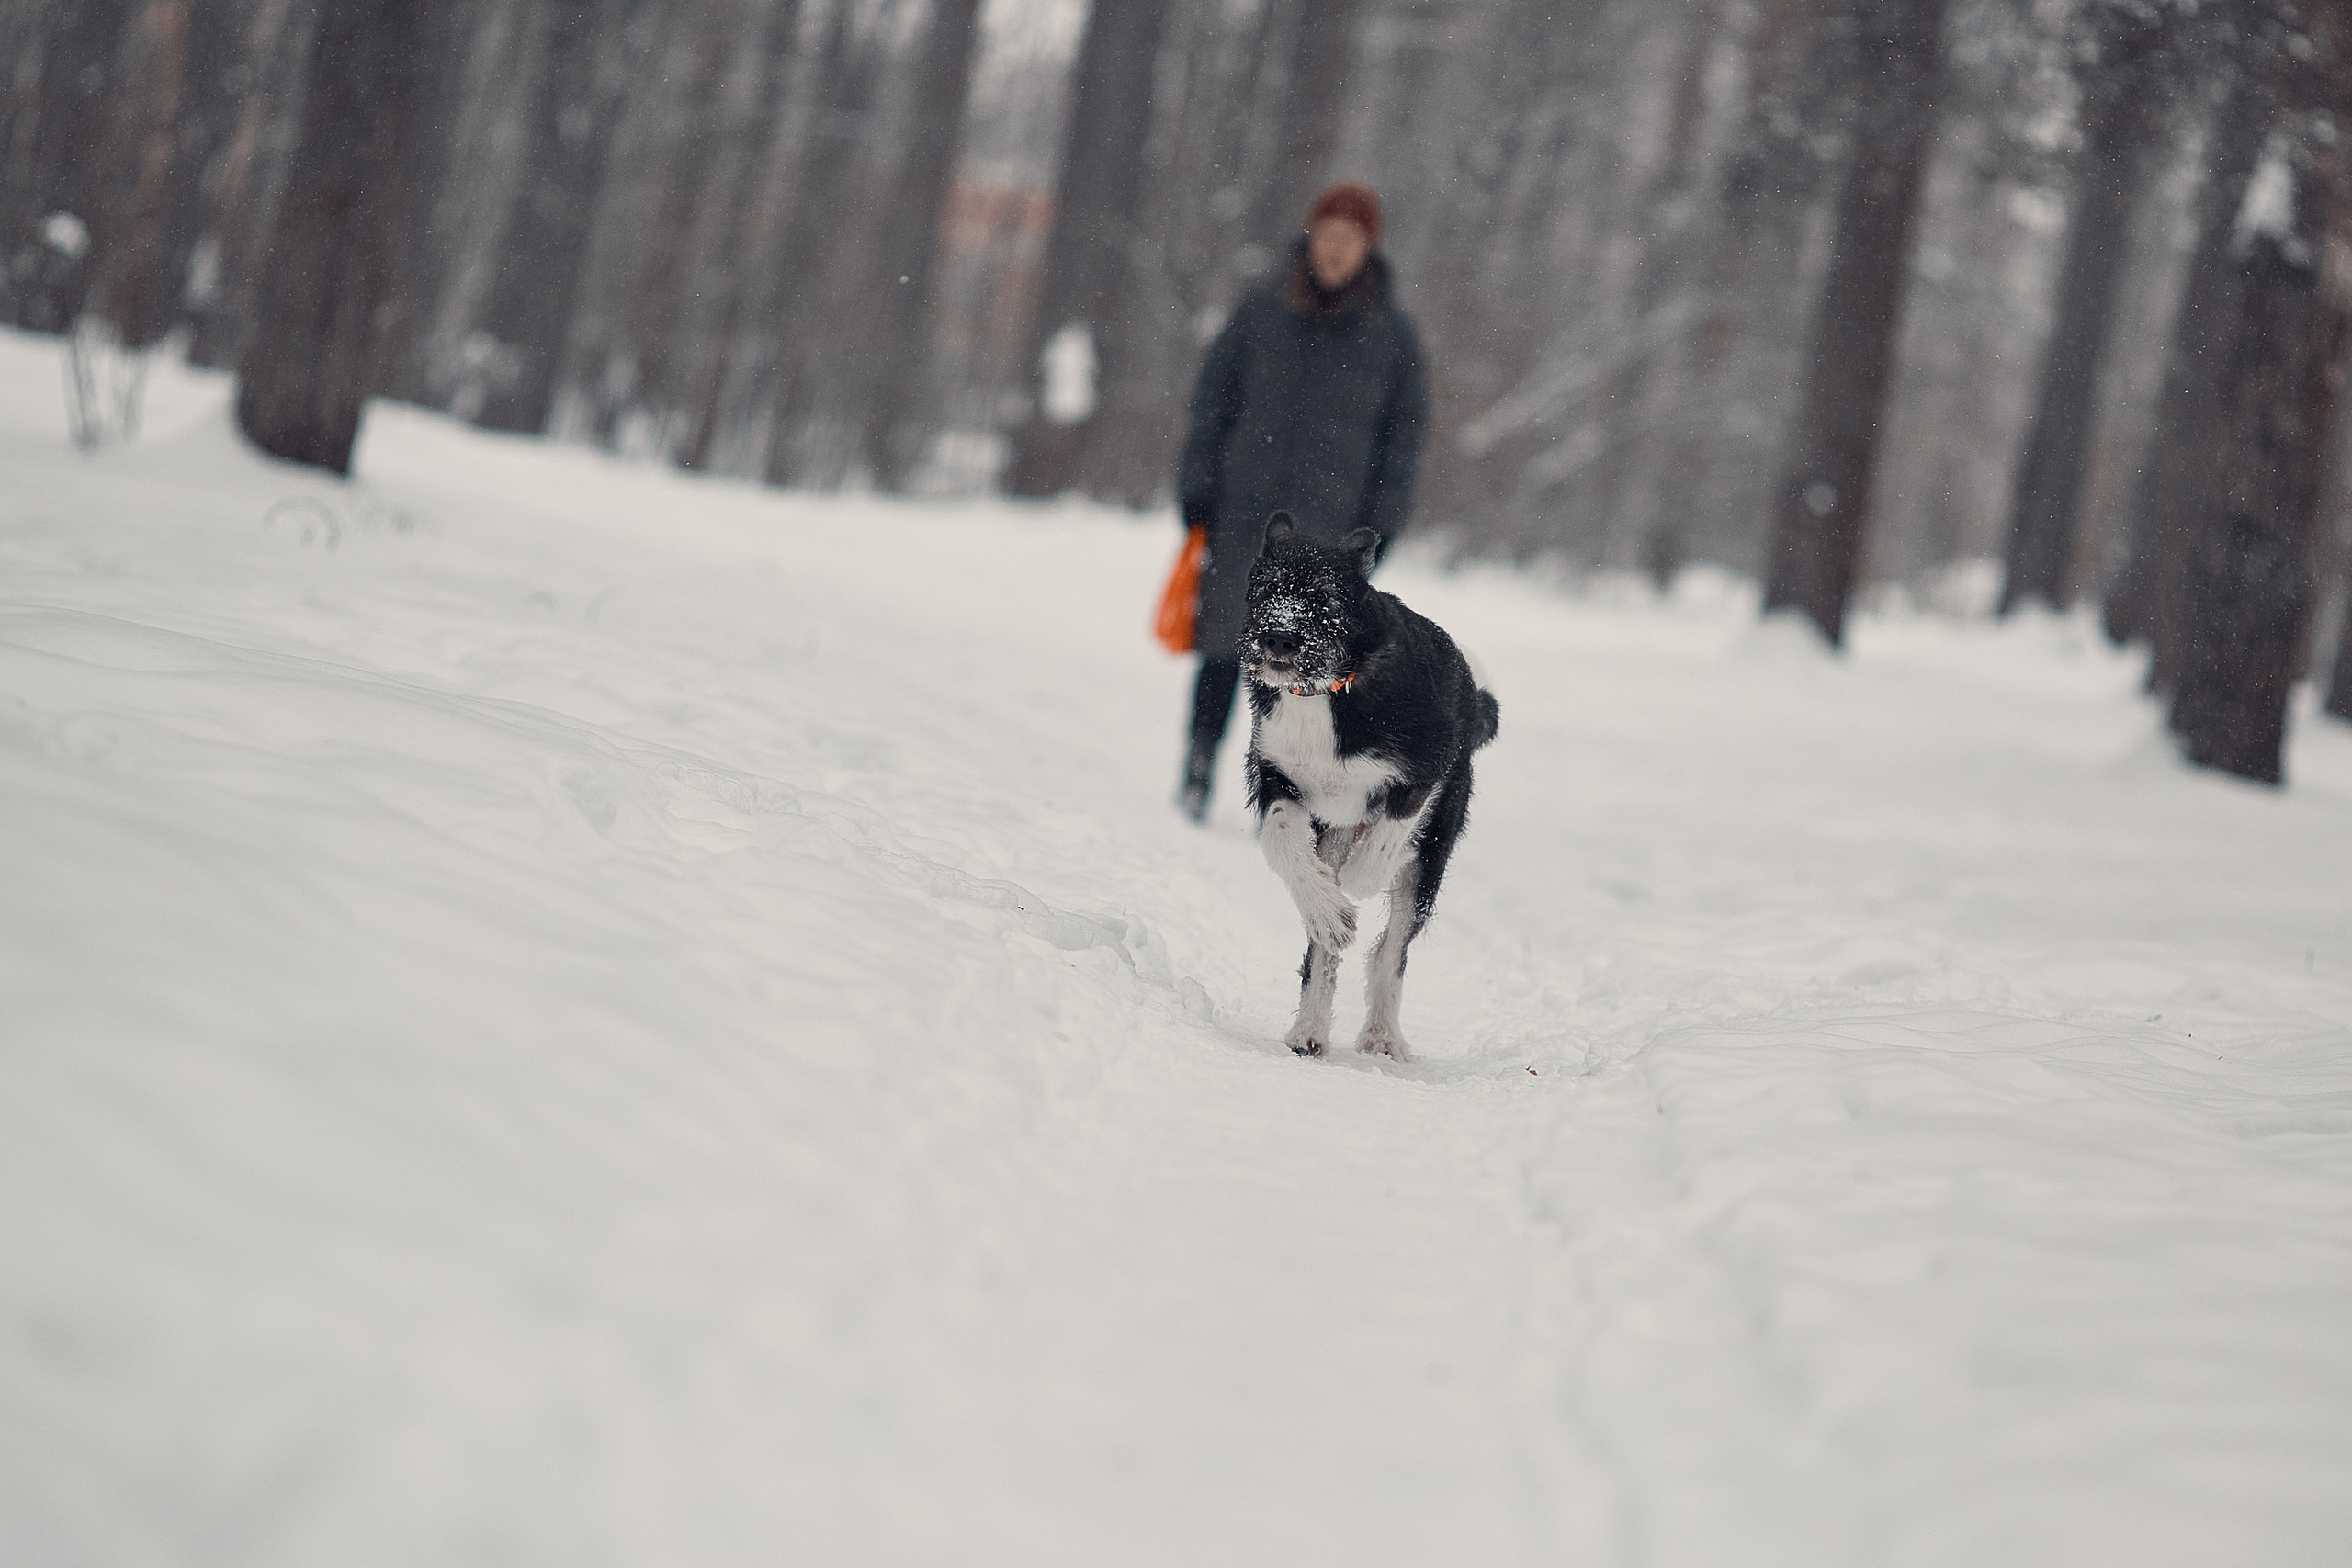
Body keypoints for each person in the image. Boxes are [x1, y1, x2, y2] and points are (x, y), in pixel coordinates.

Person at [1172, 179, 1430, 823]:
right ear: (1312, 238)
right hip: (1245, 514)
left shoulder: (1393, 339)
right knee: (1224, 642)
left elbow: (1403, 444)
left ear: (1368, 249)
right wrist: (1198, 486)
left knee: (1307, 669)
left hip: (1329, 534)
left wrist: (1381, 525)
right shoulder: (1258, 313)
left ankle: (1292, 794)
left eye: (1351, 240)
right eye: (1329, 236)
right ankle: (1198, 766)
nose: (1336, 250)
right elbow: (1211, 405)